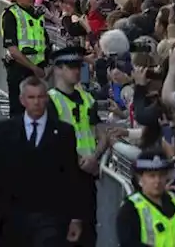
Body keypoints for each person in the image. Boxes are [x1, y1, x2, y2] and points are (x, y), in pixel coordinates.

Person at [0, 76, 85, 246]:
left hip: (50, 217)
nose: (36, 102)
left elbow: (71, 177)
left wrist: (76, 217)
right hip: (10, 217)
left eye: (40, 97)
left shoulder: (64, 132)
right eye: (31, 97)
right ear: (22, 100)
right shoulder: (6, 130)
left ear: (46, 99)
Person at [47, 46, 107, 247]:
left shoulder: (88, 99)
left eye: (78, 66)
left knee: (88, 234)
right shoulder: (50, 101)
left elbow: (101, 133)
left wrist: (94, 157)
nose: (76, 71)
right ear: (57, 69)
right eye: (71, 67)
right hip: (61, 177)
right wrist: (79, 160)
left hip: (87, 175)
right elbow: (50, 141)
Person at [116, 150, 175, 247]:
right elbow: (129, 244)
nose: (157, 181)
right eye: (152, 176)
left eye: (161, 175)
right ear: (140, 179)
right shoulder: (130, 209)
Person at [2, 0, 49, 116]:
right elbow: (13, 48)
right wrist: (33, 67)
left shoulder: (38, 14)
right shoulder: (11, 15)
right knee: (18, 113)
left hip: (39, 68)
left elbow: (44, 41)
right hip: (20, 69)